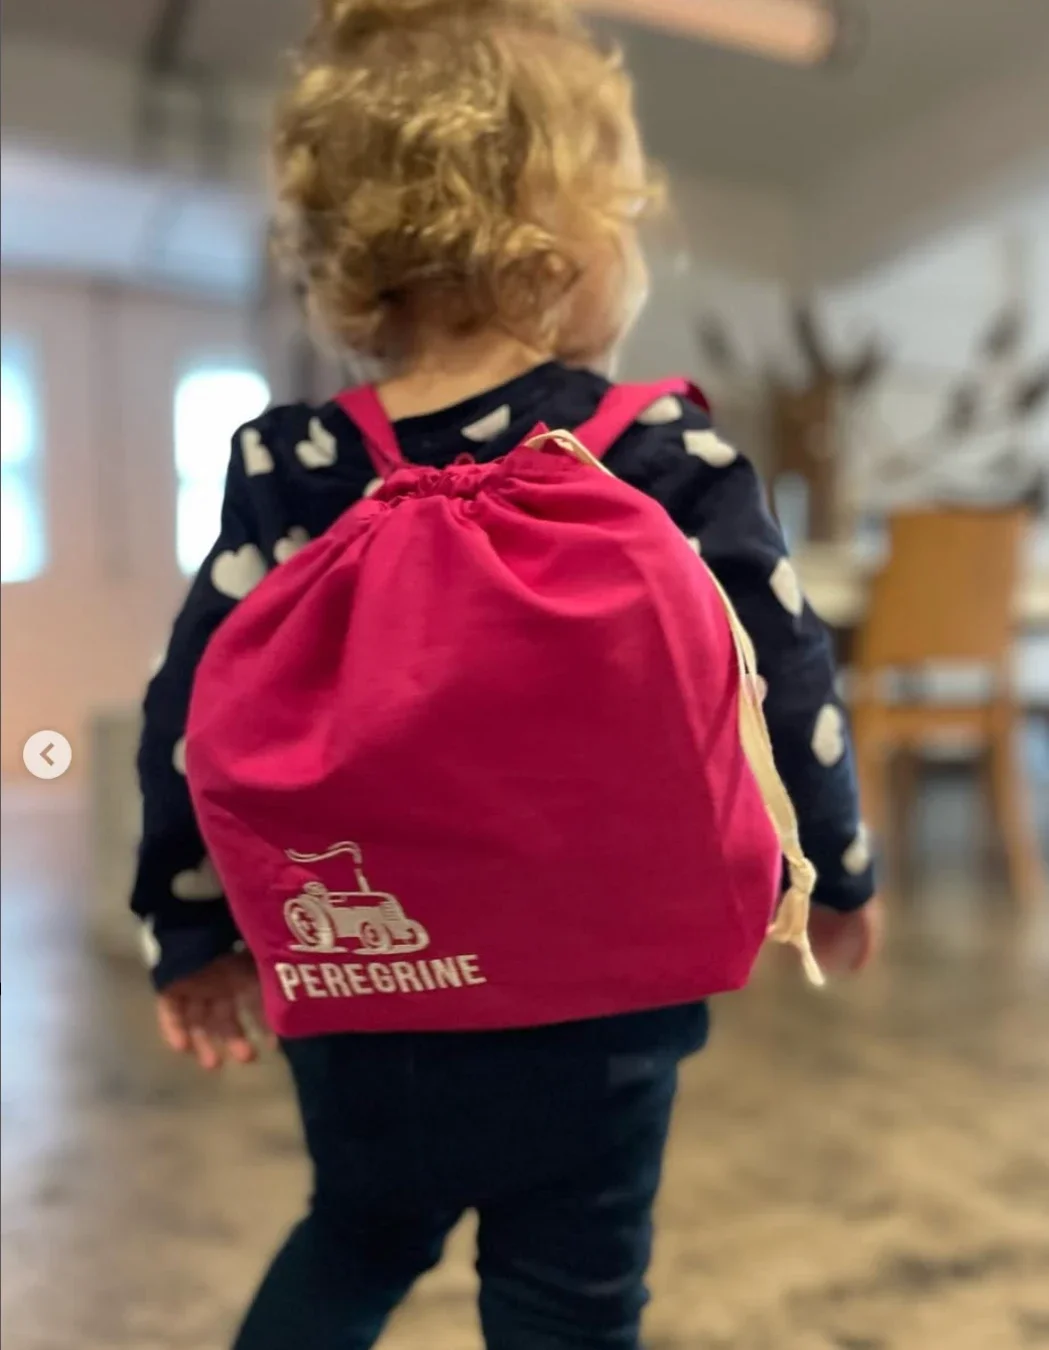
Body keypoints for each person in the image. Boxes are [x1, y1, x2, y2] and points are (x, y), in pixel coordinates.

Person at [132, 1, 880, 1345]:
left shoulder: (291, 466)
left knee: (358, 1228)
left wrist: (190, 926)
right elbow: (787, 678)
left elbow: (191, 709)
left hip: (370, 995)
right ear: (569, 236)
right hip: (607, 995)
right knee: (570, 1291)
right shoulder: (659, 458)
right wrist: (835, 868)